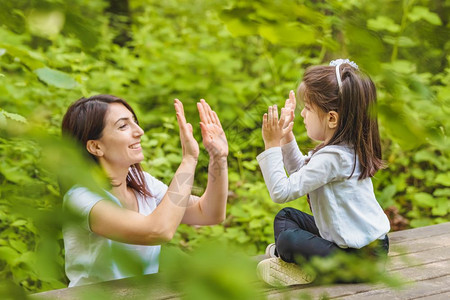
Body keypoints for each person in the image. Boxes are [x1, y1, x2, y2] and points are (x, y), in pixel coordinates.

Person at [61, 94, 228, 287]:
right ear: (96, 146)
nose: (139, 131)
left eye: (135, 122)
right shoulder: (81, 198)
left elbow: (207, 213)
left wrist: (218, 158)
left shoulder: (142, 183)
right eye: (123, 126)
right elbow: (158, 230)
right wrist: (189, 160)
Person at [256, 59, 390, 286]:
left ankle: (297, 262)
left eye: (307, 109)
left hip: (360, 261)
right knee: (286, 216)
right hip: (358, 246)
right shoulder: (342, 149)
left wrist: (272, 145)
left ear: (331, 118)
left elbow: (281, 191)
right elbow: (303, 173)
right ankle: (294, 259)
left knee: (288, 239)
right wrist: (287, 138)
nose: (302, 115)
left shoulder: (333, 158)